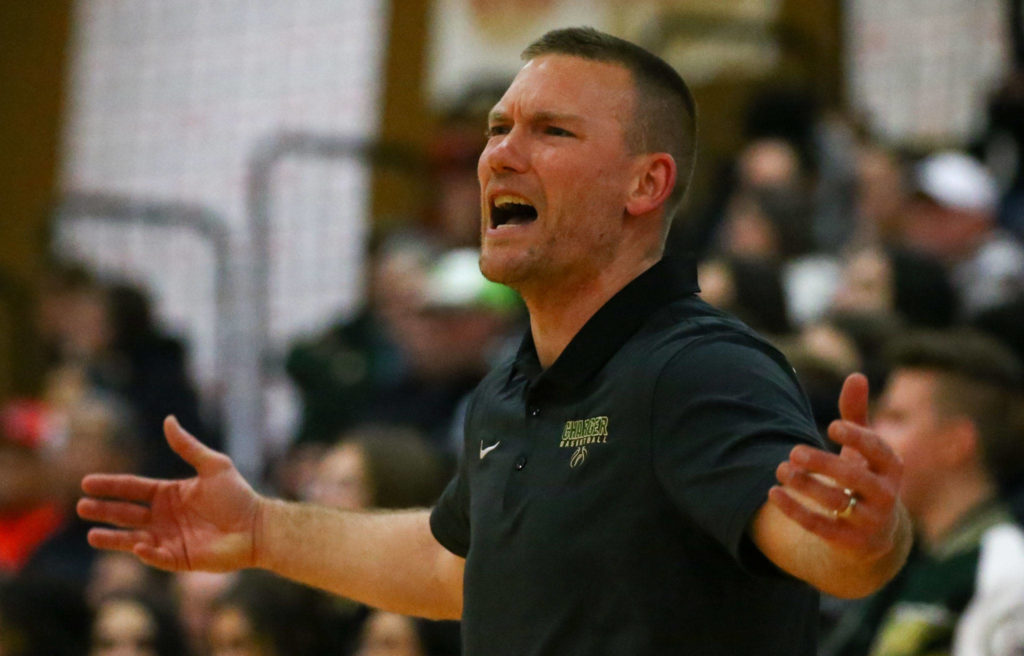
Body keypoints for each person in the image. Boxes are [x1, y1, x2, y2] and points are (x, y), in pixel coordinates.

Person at [77, 27, 911, 654]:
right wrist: (262, 532)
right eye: (497, 127)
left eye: (550, 131)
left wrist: (870, 541)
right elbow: (454, 568)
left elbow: (817, 545)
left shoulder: (699, 368)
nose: (499, 156)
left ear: (645, 183)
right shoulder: (510, 387)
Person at [822, 330, 1024, 655]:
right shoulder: (909, 559)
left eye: (895, 418)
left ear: (956, 444)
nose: (871, 434)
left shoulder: (1006, 572)